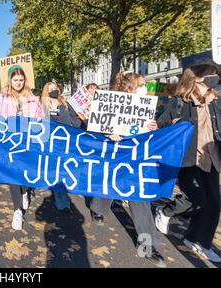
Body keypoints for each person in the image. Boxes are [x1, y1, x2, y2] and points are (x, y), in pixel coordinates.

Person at [88, 71, 166, 268]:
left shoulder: (148, 106)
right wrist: (108, 132)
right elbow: (95, 126)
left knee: (139, 197)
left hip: (138, 156)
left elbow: (151, 133)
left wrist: (153, 126)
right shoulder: (111, 102)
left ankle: (147, 245)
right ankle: (98, 208)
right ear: (130, 88)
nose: (145, 88)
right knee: (111, 183)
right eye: (141, 84)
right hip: (117, 152)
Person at [155, 63, 221, 262]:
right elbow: (163, 123)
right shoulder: (180, 101)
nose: (215, 79)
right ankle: (166, 210)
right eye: (212, 75)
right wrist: (157, 125)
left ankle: (199, 241)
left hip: (211, 158)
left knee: (215, 203)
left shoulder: (216, 101)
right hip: (187, 159)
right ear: (197, 78)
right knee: (197, 198)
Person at [0, 65, 44, 230]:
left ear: (25, 80)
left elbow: (41, 117)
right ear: (10, 80)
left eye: (21, 80)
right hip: (9, 142)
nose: (18, 83)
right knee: (12, 175)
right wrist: (1, 119)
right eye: (15, 80)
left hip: (28, 142)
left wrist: (38, 122)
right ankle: (17, 211)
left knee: (25, 174)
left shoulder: (33, 99)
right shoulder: (1, 98)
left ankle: (25, 191)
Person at [41, 82, 83, 212]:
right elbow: (44, 126)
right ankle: (62, 203)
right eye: (51, 89)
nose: (54, 90)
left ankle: (66, 196)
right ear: (46, 92)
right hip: (55, 144)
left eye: (56, 88)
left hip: (70, 141)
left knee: (68, 171)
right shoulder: (44, 107)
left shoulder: (66, 103)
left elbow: (75, 119)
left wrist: (77, 123)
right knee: (58, 173)